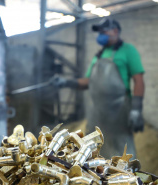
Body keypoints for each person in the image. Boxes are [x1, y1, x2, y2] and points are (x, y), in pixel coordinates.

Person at [53, 18, 145, 159]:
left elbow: (138, 80)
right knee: (94, 148)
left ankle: (125, 178)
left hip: (119, 111)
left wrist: (136, 110)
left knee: (122, 149)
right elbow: (88, 81)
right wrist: (66, 82)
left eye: (104, 31)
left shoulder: (128, 51)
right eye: (99, 32)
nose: (100, 35)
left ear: (115, 31)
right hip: (97, 111)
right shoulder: (99, 55)